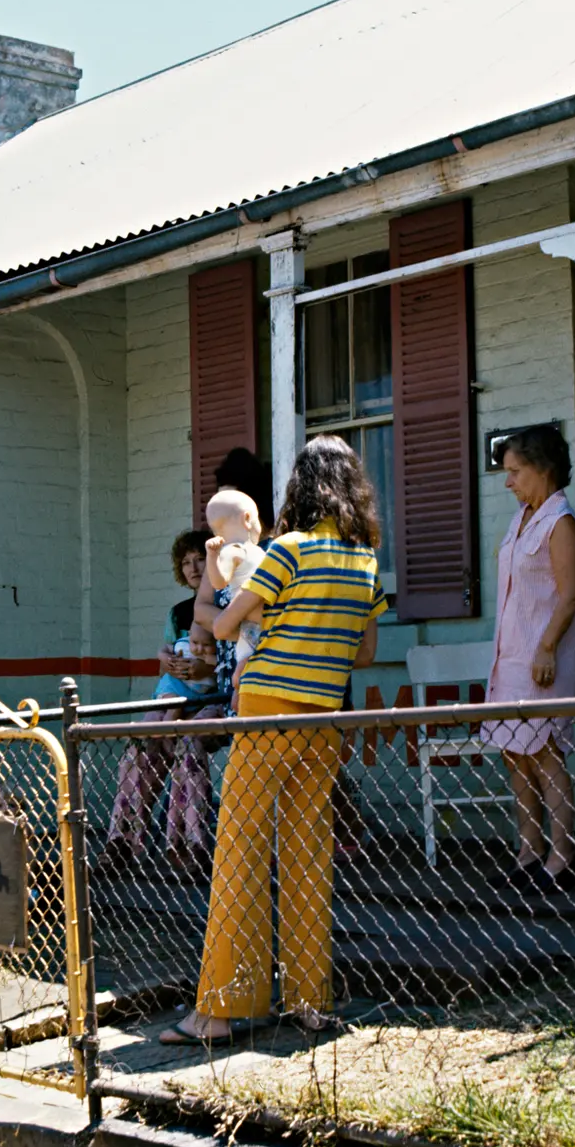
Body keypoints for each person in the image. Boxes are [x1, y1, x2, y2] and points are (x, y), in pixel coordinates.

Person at [163, 436, 385, 1047]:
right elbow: (364, 653)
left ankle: (223, 1008)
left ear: (301, 488)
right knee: (308, 857)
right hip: (322, 716)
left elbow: (227, 623)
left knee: (240, 852)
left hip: (265, 711)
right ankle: (309, 999)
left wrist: (257, 618)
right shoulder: (364, 558)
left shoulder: (286, 550)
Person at [480, 425, 575, 884]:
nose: (509, 482)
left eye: (515, 472)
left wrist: (546, 648)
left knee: (543, 752)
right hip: (512, 656)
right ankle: (529, 850)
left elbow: (570, 595)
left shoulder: (559, 521)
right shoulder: (522, 517)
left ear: (542, 468)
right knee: (514, 753)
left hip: (544, 657)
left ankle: (561, 859)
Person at [108, 531, 219, 858]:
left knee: (187, 743)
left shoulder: (230, 603)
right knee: (140, 742)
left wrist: (205, 671)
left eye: (200, 558)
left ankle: (187, 845)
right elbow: (164, 672)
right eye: (185, 562)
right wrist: (171, 665)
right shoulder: (178, 613)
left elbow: (237, 660)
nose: (193, 567)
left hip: (215, 701)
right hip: (176, 695)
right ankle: (122, 842)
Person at [198, 487, 266, 692]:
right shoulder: (233, 550)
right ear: (247, 519)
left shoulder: (256, 550)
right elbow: (219, 582)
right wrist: (212, 557)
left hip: (263, 621)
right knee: (246, 669)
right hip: (248, 625)